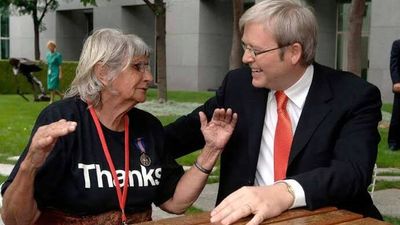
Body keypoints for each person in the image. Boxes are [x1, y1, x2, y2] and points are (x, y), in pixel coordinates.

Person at [164, 0, 383, 224]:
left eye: (255, 50)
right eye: (245, 46)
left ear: (294, 52)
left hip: (331, 218)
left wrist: (282, 193)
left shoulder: (353, 96)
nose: (245, 58)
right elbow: (172, 139)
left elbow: (352, 173)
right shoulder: (239, 86)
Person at [1, 28, 237, 225]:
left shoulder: (147, 127)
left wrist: (211, 150)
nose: (149, 77)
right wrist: (29, 164)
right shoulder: (63, 121)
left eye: (147, 66)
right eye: (138, 67)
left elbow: (175, 202)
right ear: (103, 72)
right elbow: (15, 220)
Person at [388, 39, 400, 151]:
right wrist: (396, 81)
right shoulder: (397, 44)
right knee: (397, 115)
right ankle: (393, 142)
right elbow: (394, 65)